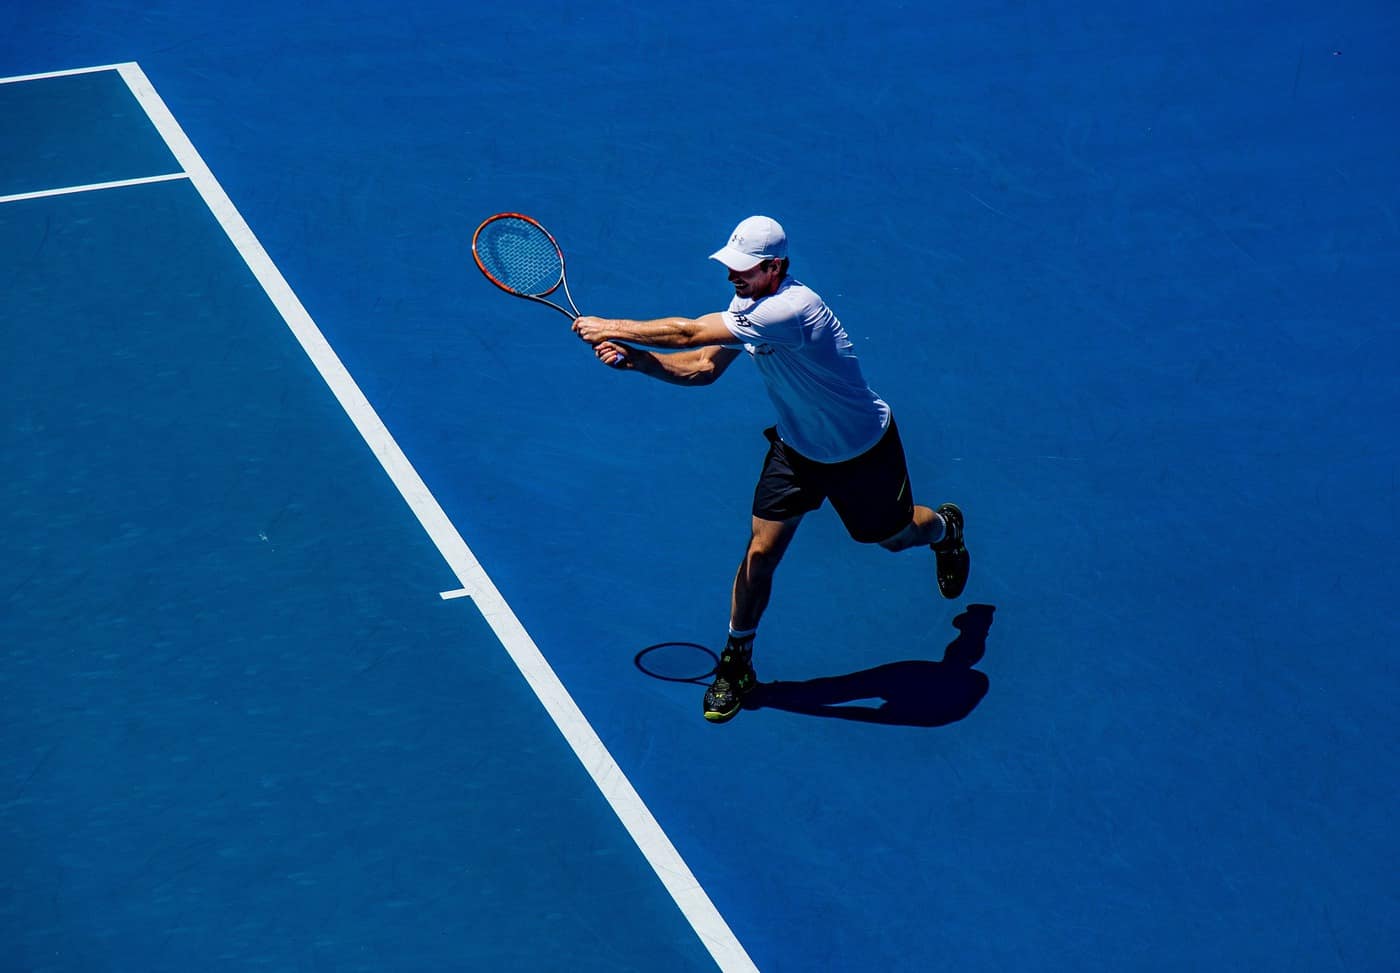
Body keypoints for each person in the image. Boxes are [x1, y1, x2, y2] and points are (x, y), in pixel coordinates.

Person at [571, 215, 969, 723]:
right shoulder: (748, 304)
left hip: (862, 451)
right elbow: (703, 367)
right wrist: (639, 362)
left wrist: (611, 326)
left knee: (892, 537)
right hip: (796, 451)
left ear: (775, 267)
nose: (733, 276)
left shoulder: (791, 309)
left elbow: (689, 332)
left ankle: (944, 529)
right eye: (730, 266)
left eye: (744, 268)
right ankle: (737, 662)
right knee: (760, 553)